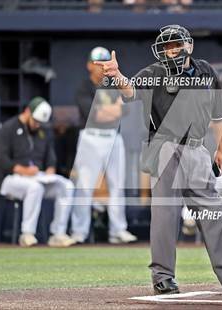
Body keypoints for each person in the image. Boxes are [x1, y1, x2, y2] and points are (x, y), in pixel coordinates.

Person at [93, 24, 222, 294]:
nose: (171, 49)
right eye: (166, 45)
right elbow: (130, 92)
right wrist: (117, 74)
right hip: (165, 147)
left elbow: (219, 117)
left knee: (213, 212)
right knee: (165, 215)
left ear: (188, 45)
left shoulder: (205, 71)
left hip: (198, 149)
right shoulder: (155, 72)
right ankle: (162, 277)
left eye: (175, 43)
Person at [71, 46, 137, 244]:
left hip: (113, 137)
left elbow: (125, 109)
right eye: (97, 63)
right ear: (90, 65)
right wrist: (112, 110)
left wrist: (108, 110)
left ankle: (118, 230)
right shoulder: (84, 87)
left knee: (117, 184)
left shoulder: (112, 85)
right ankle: (79, 232)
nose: (101, 67)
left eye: (105, 62)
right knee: (85, 185)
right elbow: (95, 114)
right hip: (90, 137)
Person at [0, 97, 76, 247]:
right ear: (27, 112)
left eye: (40, 123)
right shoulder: (8, 128)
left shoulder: (42, 131)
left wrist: (50, 171)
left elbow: (50, 159)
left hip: (38, 177)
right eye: (35, 121)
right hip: (11, 179)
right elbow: (0, 159)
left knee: (67, 186)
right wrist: (23, 170)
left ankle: (58, 233)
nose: (37, 125)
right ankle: (27, 234)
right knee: (35, 188)